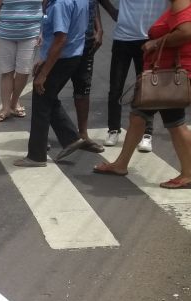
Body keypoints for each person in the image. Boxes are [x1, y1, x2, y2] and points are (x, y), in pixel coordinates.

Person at [93, 0, 191, 187]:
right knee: (138, 116)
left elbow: (186, 32)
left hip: (168, 77)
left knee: (175, 123)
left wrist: (156, 42)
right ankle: (121, 164)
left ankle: (188, 174)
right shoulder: (172, 5)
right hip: (162, 74)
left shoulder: (181, 2)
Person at [13, 0, 89, 166]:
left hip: (61, 59)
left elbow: (61, 39)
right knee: (48, 99)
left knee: (41, 101)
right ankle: (71, 138)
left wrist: (44, 73)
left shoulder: (61, 4)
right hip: (72, 55)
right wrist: (44, 59)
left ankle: (36, 156)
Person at [101, 0, 168, 150]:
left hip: (149, 38)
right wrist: (112, 11)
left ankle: (147, 134)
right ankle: (113, 129)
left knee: (147, 90)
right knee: (116, 88)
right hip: (123, 38)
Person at [0, 0, 44, 122]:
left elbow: (47, 9)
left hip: (30, 34)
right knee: (7, 71)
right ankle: (6, 108)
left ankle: (13, 102)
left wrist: (43, 32)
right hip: (5, 34)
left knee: (24, 72)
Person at [69, 0, 108, 152]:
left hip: (87, 43)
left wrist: (99, 29)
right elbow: (45, 8)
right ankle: (42, 137)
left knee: (83, 90)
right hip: (64, 45)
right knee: (50, 91)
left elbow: (94, 4)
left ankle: (83, 135)